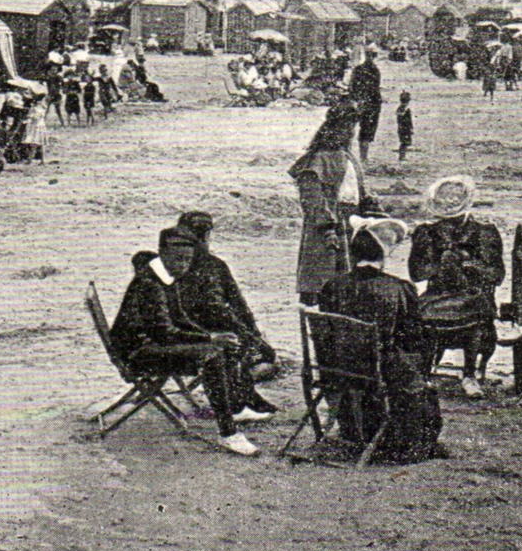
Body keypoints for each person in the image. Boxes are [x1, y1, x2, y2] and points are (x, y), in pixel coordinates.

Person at [109, 227, 265, 456]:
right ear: (161, 253)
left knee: (223, 348)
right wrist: (209, 339)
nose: (183, 265)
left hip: (152, 346)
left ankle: (234, 407)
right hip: (137, 354)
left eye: (187, 260)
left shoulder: (166, 277)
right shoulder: (149, 283)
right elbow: (166, 332)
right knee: (212, 357)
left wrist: (213, 338)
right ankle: (228, 433)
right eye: (177, 259)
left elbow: (180, 319)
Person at [315, 218, 444, 463]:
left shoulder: (332, 286)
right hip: (377, 372)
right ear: (384, 255)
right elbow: (412, 336)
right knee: (412, 366)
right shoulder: (399, 288)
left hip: (336, 369)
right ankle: (404, 440)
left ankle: (354, 427)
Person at [408, 177, 505, 399]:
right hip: (438, 295)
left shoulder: (484, 232)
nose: (447, 224)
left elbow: (497, 275)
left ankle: (469, 373)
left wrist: (470, 265)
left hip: (473, 294)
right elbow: (416, 273)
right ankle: (424, 372)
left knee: (476, 311)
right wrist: (440, 266)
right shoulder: (426, 232)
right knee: (420, 315)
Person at [175, 210, 280, 391]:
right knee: (269, 361)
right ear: (206, 236)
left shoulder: (166, 264)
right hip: (207, 343)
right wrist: (253, 337)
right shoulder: (213, 265)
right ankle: (237, 383)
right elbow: (231, 308)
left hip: (173, 339)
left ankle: (236, 377)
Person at [289, 94, 367, 305]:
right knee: (323, 284)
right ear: (334, 129)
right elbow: (312, 200)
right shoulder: (318, 159)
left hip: (352, 225)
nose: (350, 134)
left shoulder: (348, 157)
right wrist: (327, 228)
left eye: (352, 129)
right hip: (327, 230)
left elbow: (359, 192)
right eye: (346, 128)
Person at [349, 48, 383, 162]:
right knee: (366, 130)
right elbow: (375, 88)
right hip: (370, 103)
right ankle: (363, 158)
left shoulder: (358, 69)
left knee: (357, 129)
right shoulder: (375, 70)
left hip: (362, 102)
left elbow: (352, 86)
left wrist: (356, 99)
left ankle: (359, 157)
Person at [395, 91, 414, 162]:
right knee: (404, 142)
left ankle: (402, 156)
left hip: (402, 128)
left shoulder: (400, 108)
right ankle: (402, 156)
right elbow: (408, 120)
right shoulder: (405, 109)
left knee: (404, 142)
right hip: (404, 128)